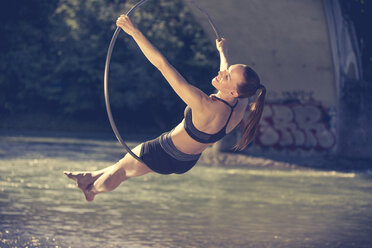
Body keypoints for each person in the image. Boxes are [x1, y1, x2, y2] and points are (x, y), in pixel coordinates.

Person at [64, 15, 266, 202]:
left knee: (121, 172)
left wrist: (133, 31)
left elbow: (162, 64)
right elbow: (226, 73)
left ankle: (91, 191)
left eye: (228, 76)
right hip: (186, 160)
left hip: (164, 150)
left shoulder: (204, 104)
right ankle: (88, 177)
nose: (223, 73)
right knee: (125, 164)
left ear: (234, 92)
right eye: (228, 71)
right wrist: (223, 52)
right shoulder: (241, 103)